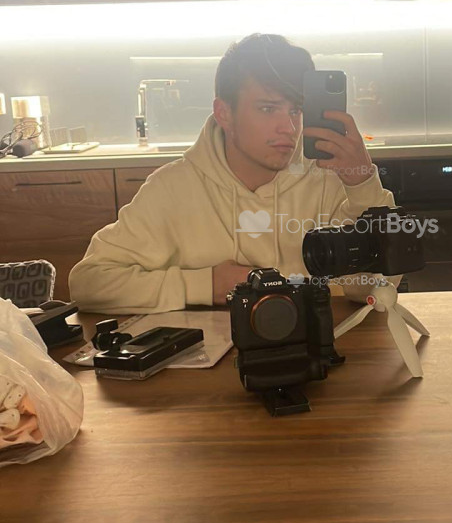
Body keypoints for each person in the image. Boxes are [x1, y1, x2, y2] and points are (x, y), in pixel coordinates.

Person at [69, 33, 395, 313]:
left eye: (296, 110)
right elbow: (89, 283)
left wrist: (363, 185)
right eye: (268, 108)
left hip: (318, 355)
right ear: (224, 113)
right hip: (213, 363)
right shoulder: (173, 188)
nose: (289, 127)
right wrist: (205, 285)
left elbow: (375, 289)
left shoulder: (329, 180)